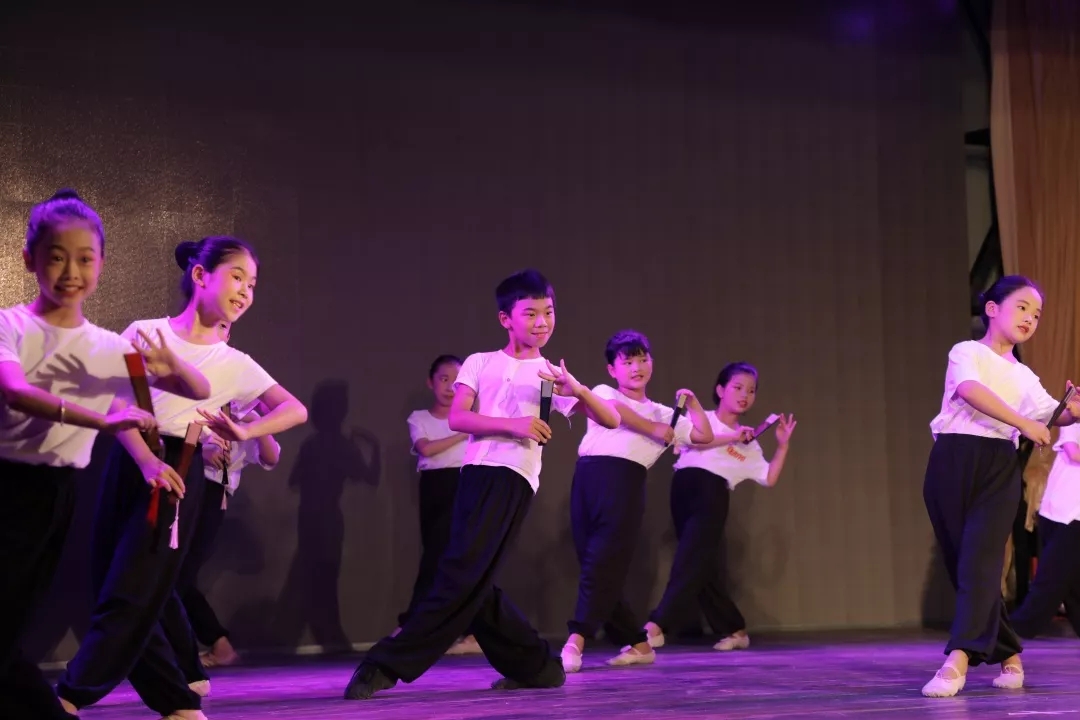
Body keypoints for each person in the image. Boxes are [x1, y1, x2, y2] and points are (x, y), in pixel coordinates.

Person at [57, 236, 308, 720]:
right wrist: (144, 461)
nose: (246, 291)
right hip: (131, 460)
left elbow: (294, 409)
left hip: (179, 471)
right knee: (119, 587)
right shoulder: (146, 332)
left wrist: (246, 430)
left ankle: (71, 694)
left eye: (253, 284)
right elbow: (116, 400)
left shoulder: (237, 363)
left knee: (132, 591)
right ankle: (177, 701)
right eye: (237, 277)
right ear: (200, 275)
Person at [344, 269, 620, 700]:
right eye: (530, 313)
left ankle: (385, 665)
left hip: (514, 479)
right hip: (474, 474)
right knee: (473, 580)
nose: (542, 322)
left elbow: (612, 419)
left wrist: (578, 389)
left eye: (549, 312)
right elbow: (459, 418)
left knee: (459, 573)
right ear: (505, 318)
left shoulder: (549, 375)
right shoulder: (480, 362)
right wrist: (515, 424)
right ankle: (538, 667)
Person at [0, 189, 209, 720]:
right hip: (6, 487)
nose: (71, 271)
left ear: (101, 264)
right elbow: (16, 392)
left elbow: (199, 390)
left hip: (54, 497)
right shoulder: (10, 325)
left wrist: (174, 366)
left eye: (85, 258)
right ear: (29, 259)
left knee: (9, 630)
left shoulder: (111, 347)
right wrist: (103, 420)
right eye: (56, 257)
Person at [920, 275, 1080, 698]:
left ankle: (957, 659)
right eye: (1022, 307)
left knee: (982, 563)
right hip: (952, 461)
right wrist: (1024, 422)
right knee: (965, 566)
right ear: (992, 309)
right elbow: (970, 391)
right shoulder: (967, 352)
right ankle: (1010, 653)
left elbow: (1052, 414)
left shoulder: (1024, 375)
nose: (1030, 318)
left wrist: (1071, 409)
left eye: (1037, 314)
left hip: (997, 467)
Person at [561, 329, 713, 673]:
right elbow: (615, 410)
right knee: (594, 565)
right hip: (586, 479)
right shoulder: (604, 392)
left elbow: (704, 435)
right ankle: (640, 644)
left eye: (642, 360)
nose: (636, 368)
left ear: (652, 364)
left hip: (624, 484)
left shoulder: (664, 413)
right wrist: (652, 429)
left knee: (599, 564)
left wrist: (693, 404)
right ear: (612, 369)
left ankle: (576, 639)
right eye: (628, 362)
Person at [643, 362, 795, 653]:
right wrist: (734, 436)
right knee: (703, 566)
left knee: (689, 560)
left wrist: (783, 446)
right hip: (683, 490)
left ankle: (656, 626)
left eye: (751, 391)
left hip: (711, 496)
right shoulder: (704, 419)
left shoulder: (750, 443)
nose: (745, 395)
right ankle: (735, 629)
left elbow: (769, 477)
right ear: (721, 390)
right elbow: (697, 442)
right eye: (738, 387)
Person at [393, 354, 482, 656]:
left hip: (465, 484)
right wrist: (462, 430)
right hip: (435, 488)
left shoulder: (473, 415)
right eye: (444, 379)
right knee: (435, 555)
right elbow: (427, 449)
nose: (449, 387)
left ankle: (472, 631)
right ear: (430, 383)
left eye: (456, 382)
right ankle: (417, 627)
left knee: (464, 557)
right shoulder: (420, 418)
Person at [1010, 422, 1080, 641]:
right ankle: (1012, 630)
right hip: (1065, 512)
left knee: (1073, 584)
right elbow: (1073, 452)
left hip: (1069, 513)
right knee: (1052, 580)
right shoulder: (1076, 418)